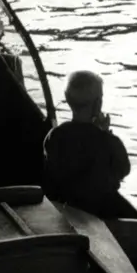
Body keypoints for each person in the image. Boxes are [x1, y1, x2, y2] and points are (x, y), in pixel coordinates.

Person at [42, 72, 130, 217]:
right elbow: (124, 170)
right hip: (100, 213)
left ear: (67, 99)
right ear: (98, 104)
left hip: (66, 210)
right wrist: (105, 132)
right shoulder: (108, 142)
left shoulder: (55, 136)